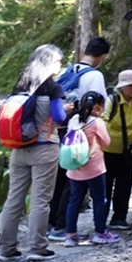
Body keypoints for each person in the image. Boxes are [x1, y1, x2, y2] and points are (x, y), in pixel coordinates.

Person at [0, 45, 70, 262]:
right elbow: (58, 117)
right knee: (40, 200)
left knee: (13, 199)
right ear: (49, 62)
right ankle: (37, 248)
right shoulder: (52, 88)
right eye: (58, 61)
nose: (60, 65)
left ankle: (6, 249)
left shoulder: (21, 85)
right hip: (44, 148)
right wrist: (67, 109)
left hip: (18, 149)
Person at [48, 37, 110, 241]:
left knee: (62, 177)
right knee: (73, 182)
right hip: (83, 134)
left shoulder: (69, 70)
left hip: (63, 129)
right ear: (102, 56)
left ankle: (53, 222)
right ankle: (62, 226)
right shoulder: (95, 75)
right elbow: (100, 108)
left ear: (85, 50)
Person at [63, 91, 119, 247]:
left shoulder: (74, 119)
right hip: (94, 167)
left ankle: (70, 235)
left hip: (74, 167)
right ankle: (100, 233)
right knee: (99, 199)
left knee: (74, 201)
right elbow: (106, 142)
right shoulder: (96, 122)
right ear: (98, 106)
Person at [101, 69, 132, 230]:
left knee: (125, 185)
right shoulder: (112, 101)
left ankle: (119, 218)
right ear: (122, 87)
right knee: (105, 185)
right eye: (131, 86)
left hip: (129, 151)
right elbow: (103, 121)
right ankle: (101, 218)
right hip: (108, 150)